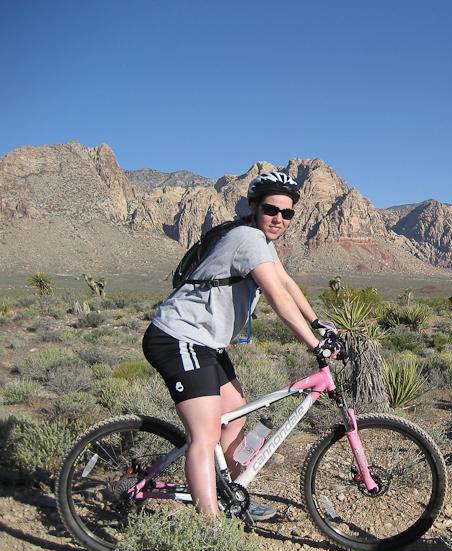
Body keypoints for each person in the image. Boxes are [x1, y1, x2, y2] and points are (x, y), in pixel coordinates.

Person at [142, 171, 335, 520]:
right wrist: (314, 344)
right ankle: (211, 530)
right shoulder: (248, 238)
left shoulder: (262, 243)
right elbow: (276, 296)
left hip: (205, 343)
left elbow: (286, 282)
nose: (279, 218)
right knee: (205, 434)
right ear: (253, 207)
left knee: (236, 414)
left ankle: (230, 494)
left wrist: (316, 320)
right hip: (179, 337)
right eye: (271, 209)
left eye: (287, 213)